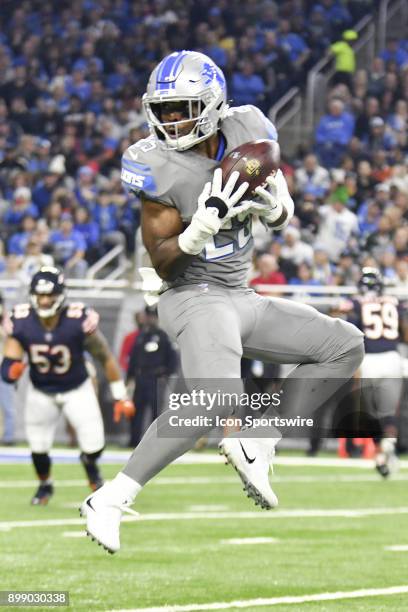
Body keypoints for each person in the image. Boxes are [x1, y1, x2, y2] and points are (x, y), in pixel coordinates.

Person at [81, 50, 364, 553]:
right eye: (163, 110)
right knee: (216, 399)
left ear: (212, 105)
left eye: (182, 108)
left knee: (345, 345)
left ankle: (261, 438)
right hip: (190, 294)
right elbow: (164, 259)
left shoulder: (247, 128)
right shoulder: (153, 164)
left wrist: (275, 207)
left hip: (240, 295)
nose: (171, 120)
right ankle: (111, 498)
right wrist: (196, 232)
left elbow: (278, 203)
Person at [1, 266, 135, 505]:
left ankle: (91, 470)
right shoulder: (21, 320)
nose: (44, 300)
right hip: (41, 390)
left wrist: (120, 395)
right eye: (40, 295)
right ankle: (45, 485)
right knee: (38, 446)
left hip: (77, 387)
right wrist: (12, 369)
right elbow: (8, 367)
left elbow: (104, 356)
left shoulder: (78, 319)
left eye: (49, 295)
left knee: (94, 444)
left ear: (60, 295)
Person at [343, 267, 407, 477]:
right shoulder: (394, 302)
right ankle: (385, 451)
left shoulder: (357, 303)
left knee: (371, 413)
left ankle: (382, 451)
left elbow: (351, 334)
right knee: (389, 412)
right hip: (392, 358)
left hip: (369, 360)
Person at [126, 305, 178, 447]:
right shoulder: (141, 336)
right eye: (148, 316)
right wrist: (130, 378)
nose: (150, 319)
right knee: (136, 411)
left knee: (155, 412)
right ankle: (134, 441)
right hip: (140, 378)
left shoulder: (163, 337)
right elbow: (134, 358)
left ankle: (153, 443)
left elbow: (173, 359)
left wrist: (166, 374)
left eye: (152, 316)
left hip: (156, 379)